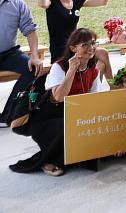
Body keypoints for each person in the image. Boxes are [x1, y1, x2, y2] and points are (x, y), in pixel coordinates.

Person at [9, 28, 108, 176]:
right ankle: (46, 161)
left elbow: (93, 99)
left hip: (71, 114)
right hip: (46, 118)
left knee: (92, 149)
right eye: (85, 44)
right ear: (73, 48)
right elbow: (59, 97)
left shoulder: (93, 70)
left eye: (93, 43)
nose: (91, 48)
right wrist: (71, 72)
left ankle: (70, 156)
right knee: (67, 128)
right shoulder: (59, 67)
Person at [38, 0, 115, 78]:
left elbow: (102, 1)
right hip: (61, 51)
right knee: (100, 56)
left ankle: (109, 89)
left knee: (103, 55)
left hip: (77, 47)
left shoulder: (77, 1)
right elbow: (42, 3)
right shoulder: (52, 1)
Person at [0, 0, 43, 124]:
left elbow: (30, 31)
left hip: (9, 53)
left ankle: (8, 113)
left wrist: (34, 55)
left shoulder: (17, 5)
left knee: (33, 68)